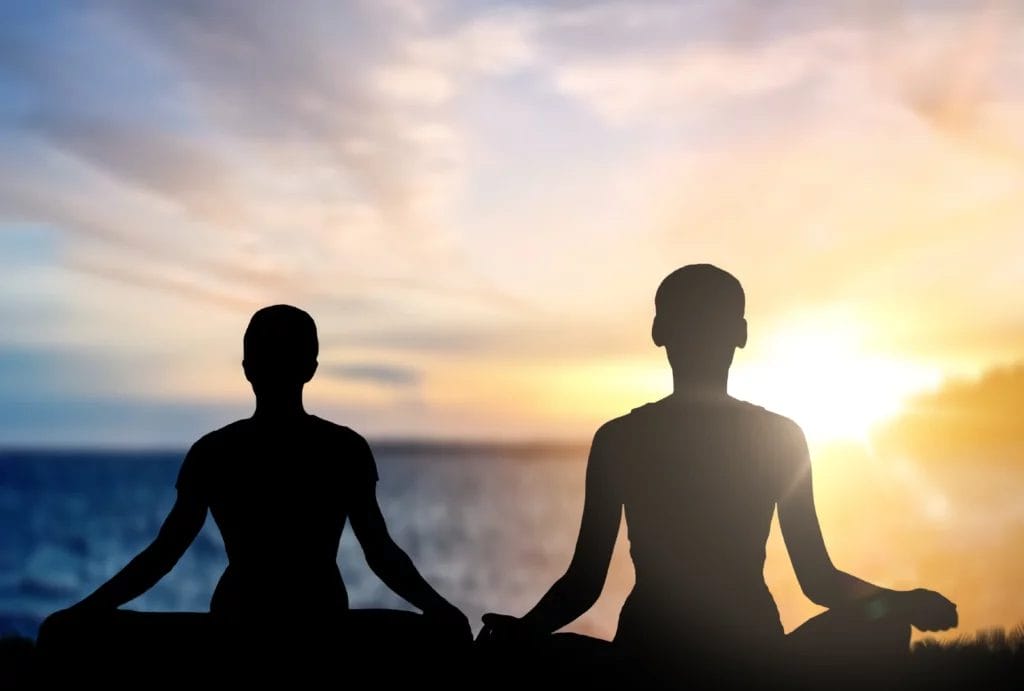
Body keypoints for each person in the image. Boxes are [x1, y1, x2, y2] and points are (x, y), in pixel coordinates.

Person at [479, 264, 958, 686]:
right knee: (886, 623)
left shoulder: (620, 439)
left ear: (658, 330)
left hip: (648, 655)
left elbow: (583, 585)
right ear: (740, 333)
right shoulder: (781, 436)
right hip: (752, 656)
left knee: (523, 653)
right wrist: (902, 601)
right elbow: (818, 580)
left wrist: (521, 633)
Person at [37, 305, 470, 683]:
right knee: (435, 634)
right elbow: (381, 553)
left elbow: (163, 554)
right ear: (312, 367)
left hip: (242, 623)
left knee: (78, 634)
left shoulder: (215, 451)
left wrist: (86, 611)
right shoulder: (343, 448)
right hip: (318, 623)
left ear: (247, 367)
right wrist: (441, 610)